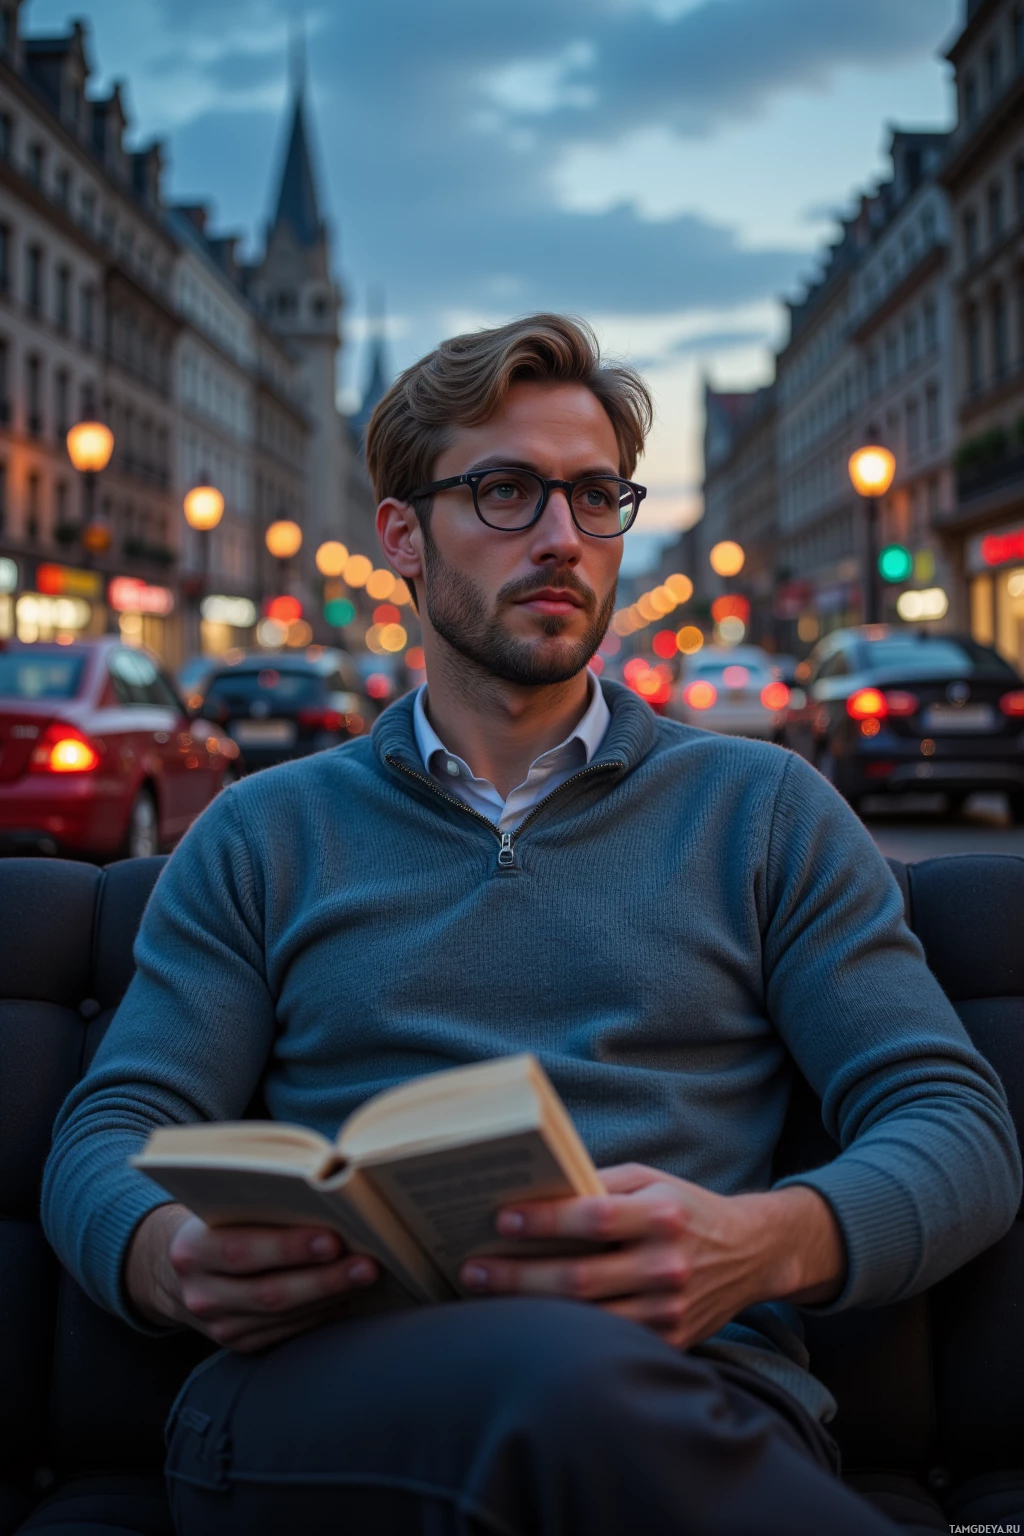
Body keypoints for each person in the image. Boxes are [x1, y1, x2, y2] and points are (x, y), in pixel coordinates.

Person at [43, 315, 1020, 1536]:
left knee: (576, 1396)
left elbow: (955, 1125)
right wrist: (165, 1250)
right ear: (400, 533)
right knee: (550, 1392)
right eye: (506, 491)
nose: (562, 538)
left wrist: (763, 1244)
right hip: (316, 1402)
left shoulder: (761, 810)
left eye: (596, 495)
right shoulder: (261, 833)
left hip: (690, 1390)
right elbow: (112, 1128)